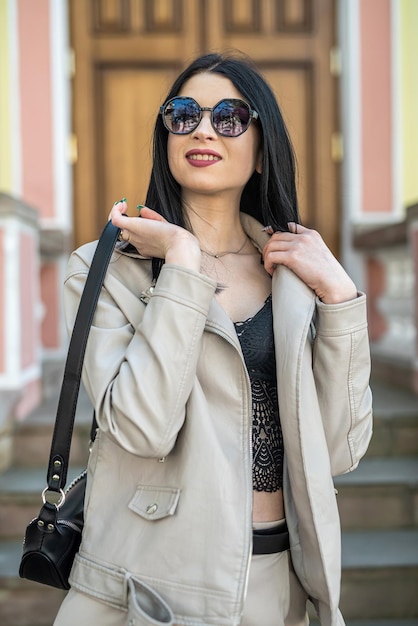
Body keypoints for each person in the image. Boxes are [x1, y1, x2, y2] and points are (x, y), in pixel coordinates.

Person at [54, 52, 373, 626]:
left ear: (261, 147)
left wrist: (341, 299)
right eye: (183, 115)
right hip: (151, 590)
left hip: (280, 587)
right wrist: (181, 262)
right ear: (166, 137)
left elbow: (339, 449)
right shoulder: (105, 271)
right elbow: (142, 428)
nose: (203, 129)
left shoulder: (295, 277)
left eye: (229, 117)